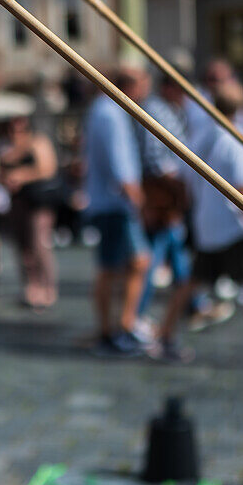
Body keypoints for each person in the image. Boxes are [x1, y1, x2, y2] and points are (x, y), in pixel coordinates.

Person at [155, 82, 243, 362]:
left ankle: (164, 335)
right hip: (235, 227)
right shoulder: (238, 138)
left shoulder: (202, 136)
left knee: (192, 282)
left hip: (207, 226)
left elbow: (184, 182)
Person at [82, 68, 153, 356]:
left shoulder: (103, 109)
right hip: (115, 204)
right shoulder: (111, 112)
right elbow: (119, 164)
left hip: (109, 203)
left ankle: (118, 327)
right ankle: (119, 329)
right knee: (129, 264)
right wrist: (138, 200)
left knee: (119, 267)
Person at [135, 74, 192, 353]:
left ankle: (193, 300)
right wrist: (177, 188)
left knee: (173, 248)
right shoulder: (157, 109)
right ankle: (136, 312)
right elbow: (158, 158)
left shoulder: (167, 108)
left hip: (167, 191)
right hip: (163, 192)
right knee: (156, 252)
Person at [0, 115, 60, 311]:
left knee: (39, 245)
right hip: (18, 202)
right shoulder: (7, 146)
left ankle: (47, 288)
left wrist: (22, 176)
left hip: (38, 202)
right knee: (22, 248)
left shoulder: (38, 142)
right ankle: (31, 287)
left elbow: (48, 169)